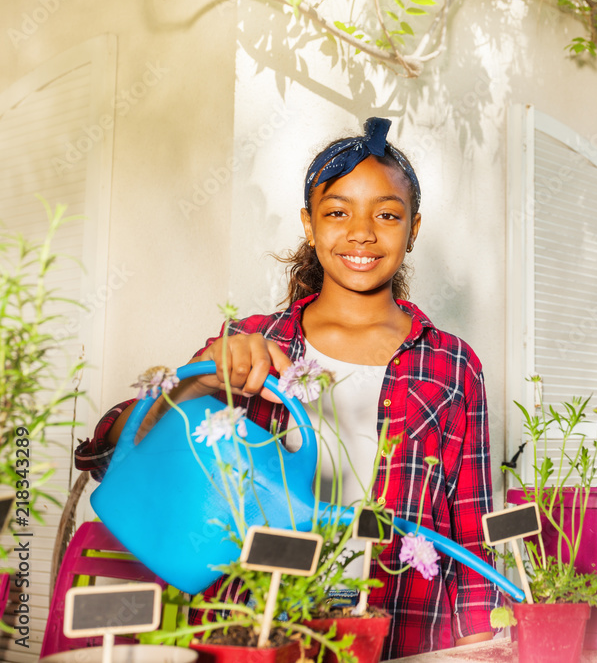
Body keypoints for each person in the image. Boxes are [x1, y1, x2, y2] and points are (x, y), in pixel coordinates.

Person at [74, 117, 501, 658]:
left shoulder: (454, 363)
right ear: (309, 223)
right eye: (338, 211)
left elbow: (471, 524)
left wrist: (481, 642)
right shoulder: (248, 344)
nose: (362, 232)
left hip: (404, 633)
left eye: (387, 214)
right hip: (258, 629)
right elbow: (113, 448)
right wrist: (204, 373)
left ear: (414, 228)